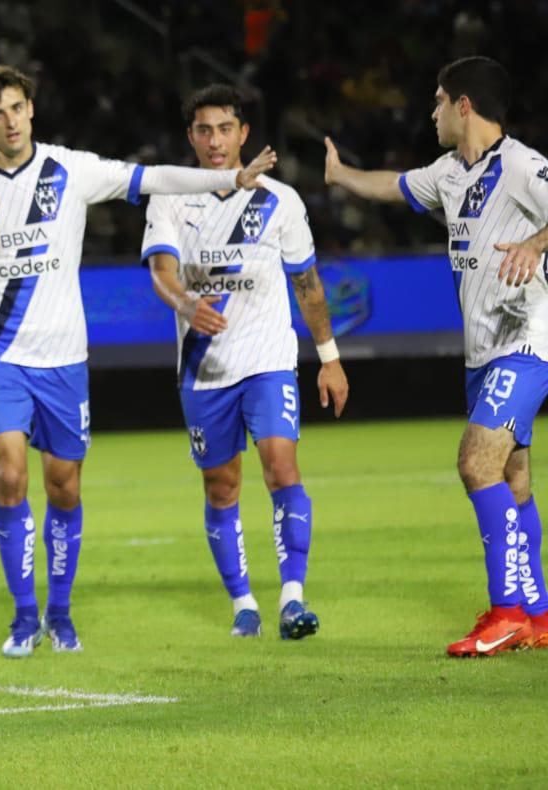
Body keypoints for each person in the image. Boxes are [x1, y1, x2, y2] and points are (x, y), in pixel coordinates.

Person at [0, 64, 278, 657]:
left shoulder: (70, 170)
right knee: (9, 476)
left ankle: (60, 613)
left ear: (31, 109)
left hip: (64, 357)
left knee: (63, 486)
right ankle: (24, 617)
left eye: (17, 108)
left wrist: (230, 178)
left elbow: (153, 177)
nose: (10, 121)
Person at [324, 56, 548, 655]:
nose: (432, 113)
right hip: (483, 353)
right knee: (513, 479)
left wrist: (535, 242)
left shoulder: (522, 165)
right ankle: (537, 615)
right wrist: (340, 175)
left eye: (439, 101)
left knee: (475, 462)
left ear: (463, 105)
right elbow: (392, 185)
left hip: (527, 341)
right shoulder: (450, 173)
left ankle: (506, 614)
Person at [142, 83, 348, 639]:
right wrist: (187, 304)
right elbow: (161, 270)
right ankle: (243, 604)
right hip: (205, 370)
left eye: (225, 129)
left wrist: (329, 358)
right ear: (190, 137)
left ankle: (292, 599)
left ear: (244, 133)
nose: (215, 141)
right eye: (204, 130)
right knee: (221, 487)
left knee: (282, 466)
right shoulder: (170, 197)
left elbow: (307, 284)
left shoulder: (281, 200)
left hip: (268, 360)